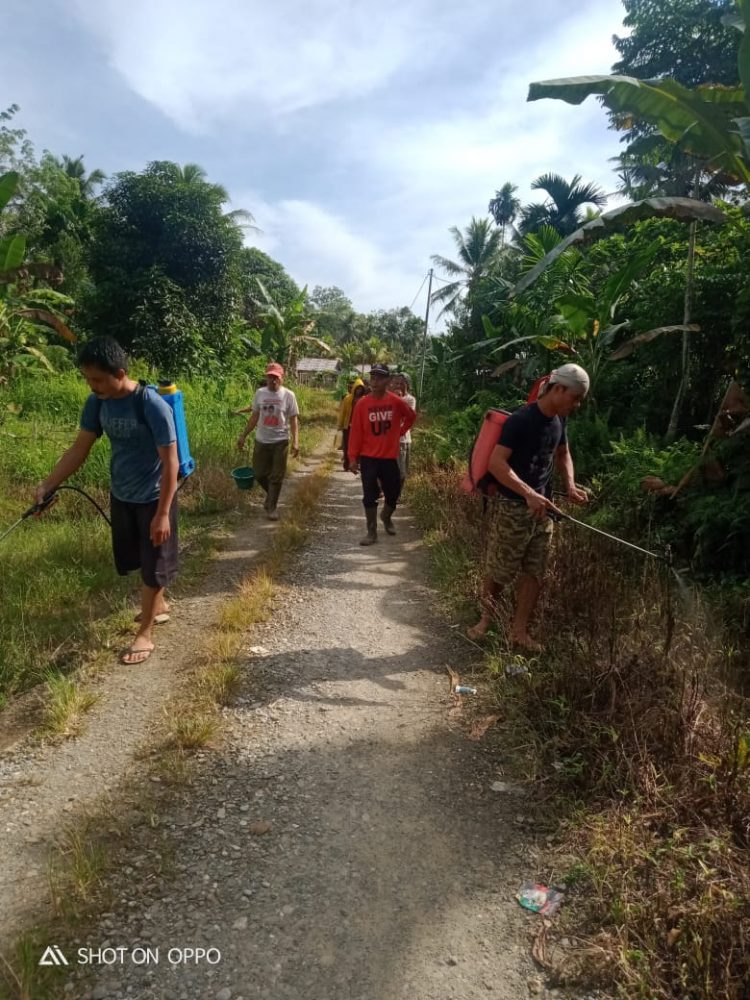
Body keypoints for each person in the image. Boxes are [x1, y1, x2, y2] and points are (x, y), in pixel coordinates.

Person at [36, 336, 179, 665]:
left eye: (98, 379)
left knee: (153, 564)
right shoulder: (98, 403)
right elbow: (79, 448)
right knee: (137, 558)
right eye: (88, 379)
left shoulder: (151, 405)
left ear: (121, 372)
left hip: (156, 496)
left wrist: (163, 514)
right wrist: (48, 484)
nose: (93, 385)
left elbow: (170, 461)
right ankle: (159, 604)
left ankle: (144, 634)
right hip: (122, 493)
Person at [467, 363, 590, 651]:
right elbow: (496, 464)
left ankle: (519, 631)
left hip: (543, 509)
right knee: (499, 568)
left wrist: (570, 485)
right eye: (575, 397)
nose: (577, 404)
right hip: (513, 508)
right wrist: (527, 494)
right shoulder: (521, 420)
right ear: (558, 389)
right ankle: (486, 620)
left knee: (535, 571)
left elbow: (563, 453)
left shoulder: (560, 420)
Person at [348, 363, 417, 545]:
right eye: (373, 377)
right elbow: (356, 432)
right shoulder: (362, 404)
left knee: (393, 492)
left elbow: (411, 416)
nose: (375, 381)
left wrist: (401, 431)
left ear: (387, 380)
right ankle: (371, 532)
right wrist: (352, 457)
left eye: (380, 377)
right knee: (369, 495)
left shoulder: (396, 402)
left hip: (389, 457)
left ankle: (386, 516)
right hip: (369, 457)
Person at [236, 362, 299, 520]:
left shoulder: (288, 395)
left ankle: (271, 507)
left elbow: (293, 420)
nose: (273, 380)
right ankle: (271, 498)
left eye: (276, 377)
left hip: (281, 440)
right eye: (270, 377)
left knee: (276, 476)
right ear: (266, 377)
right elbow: (254, 416)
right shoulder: (260, 393)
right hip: (262, 440)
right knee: (259, 473)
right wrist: (243, 435)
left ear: (282, 378)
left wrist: (296, 442)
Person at [390, 373, 417, 483]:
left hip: (403, 440)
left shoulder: (410, 399)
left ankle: (396, 495)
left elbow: (406, 417)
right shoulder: (389, 397)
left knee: (402, 472)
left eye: (402, 383)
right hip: (389, 439)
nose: (399, 385)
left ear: (407, 384)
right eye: (396, 383)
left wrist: (399, 398)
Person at [337, 377, 364, 471]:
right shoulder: (347, 399)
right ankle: (347, 464)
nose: (358, 391)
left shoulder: (364, 399)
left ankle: (357, 463)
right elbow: (343, 412)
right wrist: (340, 424)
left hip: (360, 427)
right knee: (347, 446)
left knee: (359, 446)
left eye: (360, 389)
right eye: (357, 388)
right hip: (348, 426)